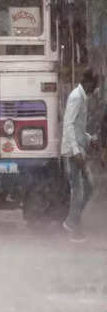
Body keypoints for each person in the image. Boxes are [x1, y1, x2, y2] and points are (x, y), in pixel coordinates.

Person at [61, 69, 99, 242]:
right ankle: (72, 225)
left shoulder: (82, 97)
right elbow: (68, 124)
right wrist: (76, 151)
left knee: (88, 187)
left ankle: (73, 220)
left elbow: (78, 128)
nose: (96, 89)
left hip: (79, 151)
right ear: (89, 83)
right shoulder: (76, 97)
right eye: (95, 85)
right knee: (79, 191)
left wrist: (89, 138)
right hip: (73, 153)